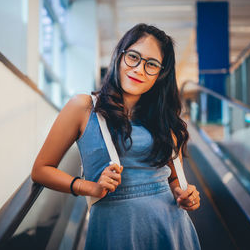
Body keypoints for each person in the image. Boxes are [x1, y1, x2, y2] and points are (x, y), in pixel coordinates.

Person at [31, 23, 201, 250]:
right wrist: (89, 187)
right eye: (133, 57)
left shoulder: (165, 120)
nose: (139, 69)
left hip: (171, 228)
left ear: (160, 74)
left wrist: (186, 194)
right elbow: (41, 170)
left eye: (151, 64)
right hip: (114, 230)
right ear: (119, 57)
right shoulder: (83, 107)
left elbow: (172, 179)